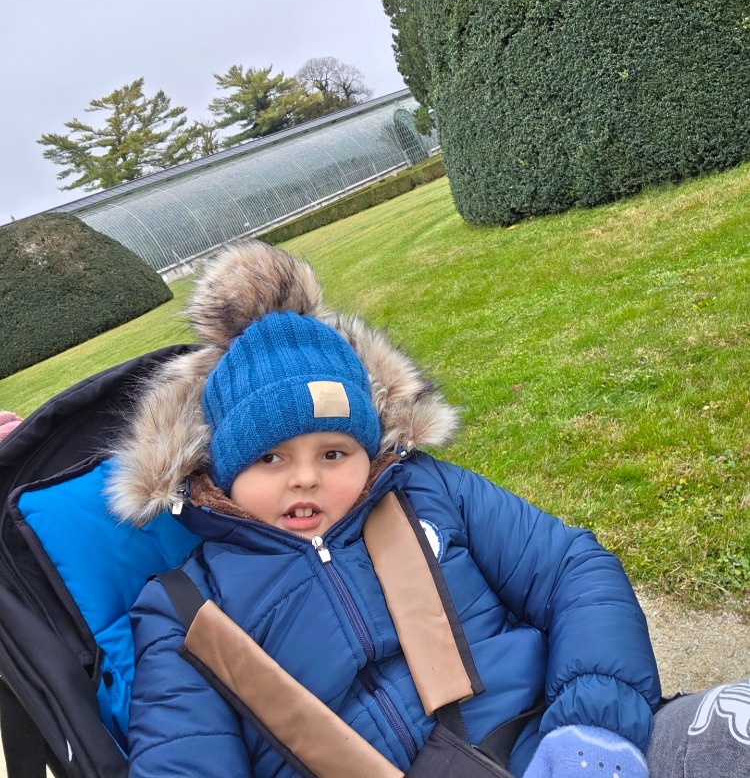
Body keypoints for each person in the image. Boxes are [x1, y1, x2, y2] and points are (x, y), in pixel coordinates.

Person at [109, 241, 747, 777]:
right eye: (270, 458)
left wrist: (592, 727)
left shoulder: (426, 492)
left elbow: (571, 569)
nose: (304, 478)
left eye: (333, 453)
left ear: (367, 448)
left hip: (551, 743)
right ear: (223, 470)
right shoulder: (187, 611)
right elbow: (184, 760)